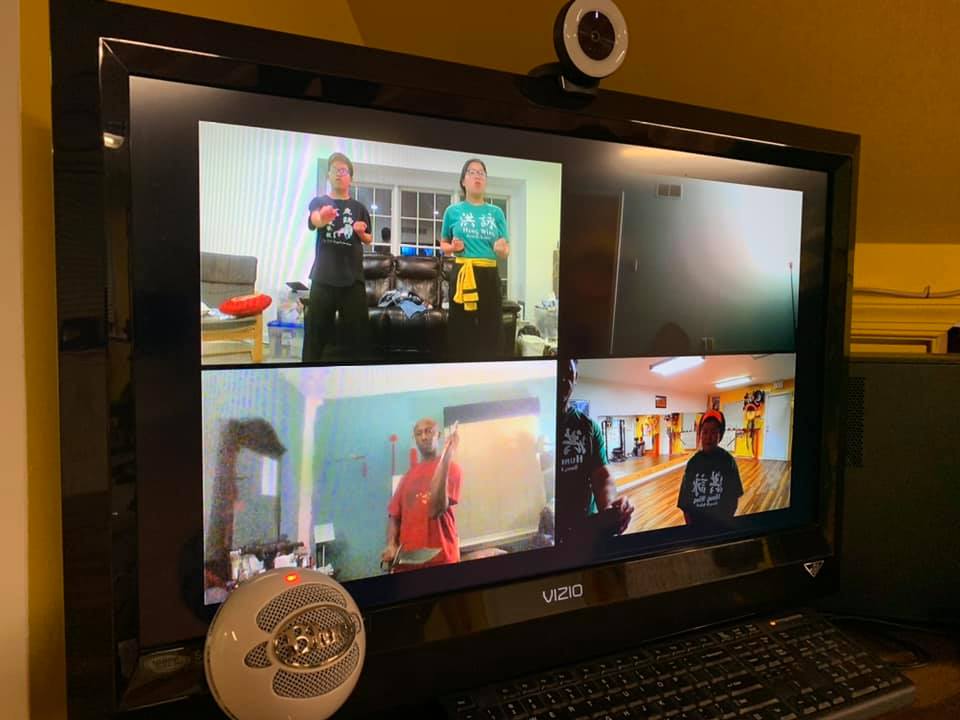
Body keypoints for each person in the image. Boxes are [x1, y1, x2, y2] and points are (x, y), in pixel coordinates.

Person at [302, 152, 373, 362]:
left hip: (353, 280)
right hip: (323, 278)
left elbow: (369, 238)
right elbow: (314, 220)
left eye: (344, 170)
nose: (339, 174)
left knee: (359, 339)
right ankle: (309, 375)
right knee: (315, 337)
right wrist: (323, 218)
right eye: (335, 170)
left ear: (350, 177)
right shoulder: (320, 202)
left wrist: (361, 233)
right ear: (328, 175)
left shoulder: (359, 208)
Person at [557, 358, 634, 547]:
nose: (563, 380)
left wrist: (611, 509)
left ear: (576, 378)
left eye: (569, 374)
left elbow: (602, 478)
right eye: (559, 373)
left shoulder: (588, 427)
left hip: (584, 531)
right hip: (543, 534)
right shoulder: (529, 426)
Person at [439, 158, 509, 359]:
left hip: (489, 274)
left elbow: (505, 250)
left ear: (485, 180)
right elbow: (443, 245)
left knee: (491, 327)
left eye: (481, 173)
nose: (477, 176)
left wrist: (501, 249)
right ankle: (460, 369)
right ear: (463, 181)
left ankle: (490, 370)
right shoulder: (452, 211)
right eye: (472, 172)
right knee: (461, 328)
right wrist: (452, 247)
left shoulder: (496, 213)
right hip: (463, 272)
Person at [382, 418, 462, 572]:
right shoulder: (407, 477)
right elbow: (394, 516)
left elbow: (436, 509)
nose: (424, 437)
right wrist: (391, 544)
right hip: (407, 564)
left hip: (442, 560)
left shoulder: (452, 469)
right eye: (419, 433)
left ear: (438, 435)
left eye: (428, 431)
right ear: (415, 439)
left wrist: (446, 457)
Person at [676, 410, 743, 530]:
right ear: (700, 434)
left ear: (720, 435)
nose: (708, 437)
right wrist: (691, 528)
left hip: (721, 525)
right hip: (697, 527)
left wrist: (725, 522)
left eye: (713, 432)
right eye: (705, 432)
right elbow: (685, 502)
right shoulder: (693, 463)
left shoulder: (728, 461)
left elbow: (734, 497)